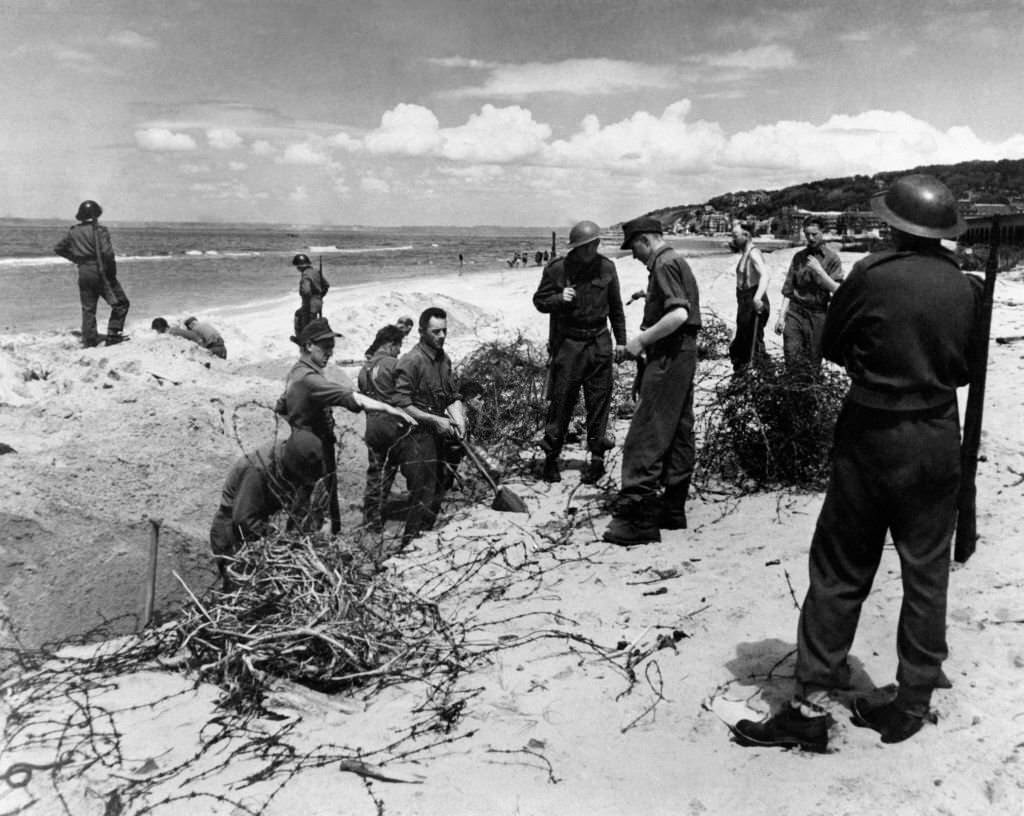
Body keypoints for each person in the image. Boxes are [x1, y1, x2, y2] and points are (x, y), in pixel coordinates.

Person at [732, 174, 983, 752]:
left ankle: (810, 704)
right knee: (926, 570)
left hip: (872, 431)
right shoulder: (965, 286)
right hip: (938, 432)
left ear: (895, 224)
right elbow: (969, 369)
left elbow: (832, 345)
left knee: (841, 568)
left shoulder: (872, 273)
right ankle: (914, 699)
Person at [603, 217, 701, 545]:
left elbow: (679, 315)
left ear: (646, 240)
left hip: (670, 354)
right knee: (677, 430)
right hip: (682, 354)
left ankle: (638, 521)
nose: (633, 255)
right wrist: (650, 296)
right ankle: (672, 509)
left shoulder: (664, 263)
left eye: (634, 248)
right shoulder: (674, 262)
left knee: (646, 432)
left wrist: (640, 343)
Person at [275, 318, 412, 533]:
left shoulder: (296, 372)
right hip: (315, 446)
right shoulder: (309, 378)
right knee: (319, 503)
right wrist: (388, 408)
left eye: (332, 346)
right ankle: (319, 547)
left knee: (305, 500)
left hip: (305, 442)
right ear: (309, 345)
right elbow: (346, 395)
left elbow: (281, 406)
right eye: (325, 346)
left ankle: (305, 541)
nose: (330, 352)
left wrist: (298, 425)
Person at [532, 220, 626, 484]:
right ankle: (551, 458)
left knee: (599, 402)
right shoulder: (558, 269)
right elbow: (539, 301)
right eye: (583, 247)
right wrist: (559, 298)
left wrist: (621, 341)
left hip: (599, 341)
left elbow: (616, 308)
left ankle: (597, 459)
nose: (588, 251)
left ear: (596, 244)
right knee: (561, 402)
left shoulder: (607, 268)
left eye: (591, 246)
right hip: (569, 344)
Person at [208, 429, 324, 587]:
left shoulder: (295, 455)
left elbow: (301, 504)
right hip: (232, 534)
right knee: (241, 588)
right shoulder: (259, 470)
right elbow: (243, 519)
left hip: (256, 528)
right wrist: (278, 539)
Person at [389, 307, 465, 545]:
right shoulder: (411, 361)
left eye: (444, 331)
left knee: (441, 487)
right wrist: (434, 420)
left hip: (440, 434)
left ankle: (425, 540)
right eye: (436, 332)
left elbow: (452, 395)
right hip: (416, 436)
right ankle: (409, 544)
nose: (441, 336)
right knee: (422, 492)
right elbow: (401, 405)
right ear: (422, 332)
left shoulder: (444, 360)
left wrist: (459, 418)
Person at [54, 200, 130, 348]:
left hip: (84, 272)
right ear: (96, 214)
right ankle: (113, 336)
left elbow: (59, 248)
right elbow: (107, 253)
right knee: (121, 303)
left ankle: (89, 340)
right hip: (100, 271)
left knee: (88, 308)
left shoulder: (73, 231)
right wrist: (111, 273)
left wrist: (76, 258)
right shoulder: (100, 231)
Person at [774, 219, 844, 375]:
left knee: (813, 363)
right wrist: (781, 317)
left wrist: (820, 271)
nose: (811, 238)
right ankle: (793, 395)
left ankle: (809, 397)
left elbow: (838, 290)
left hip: (818, 315)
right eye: (807, 234)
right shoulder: (798, 257)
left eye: (814, 234)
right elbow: (788, 290)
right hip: (795, 313)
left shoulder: (832, 259)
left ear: (823, 233)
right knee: (792, 358)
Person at [358, 324, 408, 533]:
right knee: (399, 468)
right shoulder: (393, 364)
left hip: (372, 425)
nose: (399, 351)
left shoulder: (364, 369)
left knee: (375, 472)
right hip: (392, 425)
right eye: (398, 346)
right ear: (389, 344)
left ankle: (371, 518)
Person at [727, 221, 771, 373]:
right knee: (742, 343)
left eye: (735, 236)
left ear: (746, 235)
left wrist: (757, 298)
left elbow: (765, 275)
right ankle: (744, 375)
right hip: (744, 302)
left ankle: (763, 375)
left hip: (753, 301)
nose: (733, 240)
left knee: (753, 342)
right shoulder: (745, 253)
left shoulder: (753, 253)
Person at [292, 254, 330, 337]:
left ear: (300, 266)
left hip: (310, 304)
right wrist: (320, 297)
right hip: (319, 302)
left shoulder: (305, 274)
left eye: (297, 266)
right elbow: (326, 285)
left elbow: (306, 291)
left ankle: (301, 339)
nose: (297, 268)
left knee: (301, 320)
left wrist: (307, 301)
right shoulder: (316, 271)